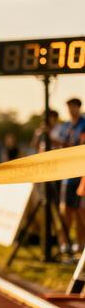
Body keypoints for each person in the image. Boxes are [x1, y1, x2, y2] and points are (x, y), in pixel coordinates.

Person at [59, 98, 85, 252]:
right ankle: (65, 243)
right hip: (66, 177)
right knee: (65, 211)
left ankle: (80, 244)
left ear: (78, 107)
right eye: (69, 107)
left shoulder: (83, 124)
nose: (70, 110)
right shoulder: (65, 126)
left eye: (73, 107)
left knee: (80, 212)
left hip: (80, 175)